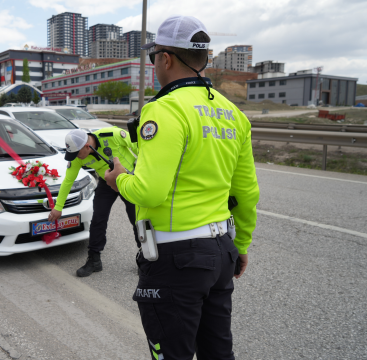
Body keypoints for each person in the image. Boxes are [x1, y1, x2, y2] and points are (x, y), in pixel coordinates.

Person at [104, 16, 260, 360]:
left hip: (177, 258)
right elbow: (247, 192)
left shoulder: (165, 108)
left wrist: (118, 180)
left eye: (153, 57)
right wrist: (242, 244)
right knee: (218, 352)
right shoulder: (234, 114)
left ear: (166, 58)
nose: (154, 64)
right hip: (222, 250)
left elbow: (148, 191)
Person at [47, 127, 140, 277]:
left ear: (86, 146)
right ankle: (94, 260)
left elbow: (140, 146)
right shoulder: (78, 156)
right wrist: (58, 207)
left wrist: (142, 173)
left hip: (130, 179)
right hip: (107, 181)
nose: (76, 157)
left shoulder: (113, 136)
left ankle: (146, 260)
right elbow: (68, 181)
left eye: (77, 153)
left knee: (137, 219)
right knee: (98, 219)